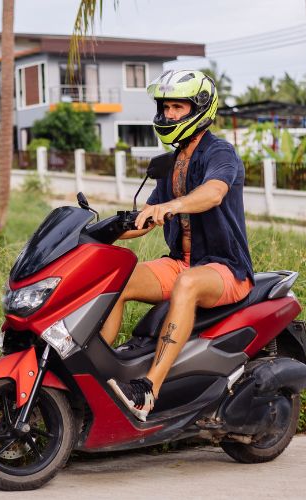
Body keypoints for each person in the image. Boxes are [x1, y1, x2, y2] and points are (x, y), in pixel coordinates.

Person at [101, 70, 255, 422]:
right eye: (165, 107)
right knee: (115, 276)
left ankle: (147, 390)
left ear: (199, 109)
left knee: (187, 283)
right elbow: (146, 219)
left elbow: (213, 193)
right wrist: (98, 233)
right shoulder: (173, 164)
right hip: (180, 262)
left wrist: (172, 205)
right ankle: (99, 377)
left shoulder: (221, 153)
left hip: (225, 267)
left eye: (176, 107)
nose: (168, 114)